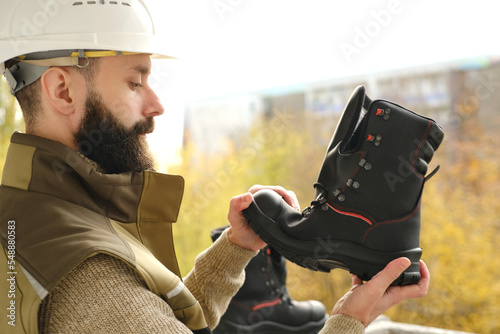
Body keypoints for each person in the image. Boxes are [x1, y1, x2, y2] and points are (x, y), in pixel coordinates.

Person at [0, 1, 429, 333]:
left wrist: (233, 252)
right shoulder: (84, 269)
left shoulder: (35, 218)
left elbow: (146, 319)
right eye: (135, 82)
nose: (157, 105)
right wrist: (352, 317)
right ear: (62, 90)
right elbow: (111, 305)